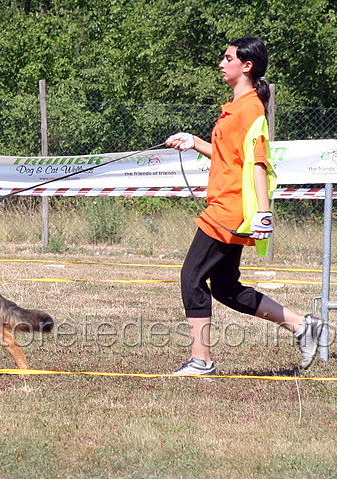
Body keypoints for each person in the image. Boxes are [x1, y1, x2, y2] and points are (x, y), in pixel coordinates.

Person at [166, 36, 322, 376]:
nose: (221, 64)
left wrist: (263, 212)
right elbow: (229, 157)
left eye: (227, 58)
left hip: (229, 209)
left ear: (246, 66)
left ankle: (201, 360)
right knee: (224, 287)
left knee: (192, 276)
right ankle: (301, 325)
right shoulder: (236, 108)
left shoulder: (250, 107)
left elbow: (257, 163)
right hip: (224, 205)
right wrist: (193, 142)